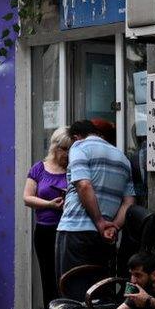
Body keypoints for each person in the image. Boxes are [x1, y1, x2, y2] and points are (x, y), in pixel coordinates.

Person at [56, 120, 135, 282]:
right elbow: (129, 202)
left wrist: (99, 222)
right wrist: (113, 227)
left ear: (76, 137)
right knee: (99, 293)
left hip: (76, 232)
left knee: (73, 295)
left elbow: (84, 185)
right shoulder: (123, 158)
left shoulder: (79, 147)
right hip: (106, 238)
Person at [24, 127, 72, 309]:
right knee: (48, 279)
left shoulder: (73, 169)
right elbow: (27, 198)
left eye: (70, 149)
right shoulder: (38, 168)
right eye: (65, 149)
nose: (68, 154)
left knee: (64, 278)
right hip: (44, 230)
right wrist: (49, 205)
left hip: (66, 230)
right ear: (55, 148)